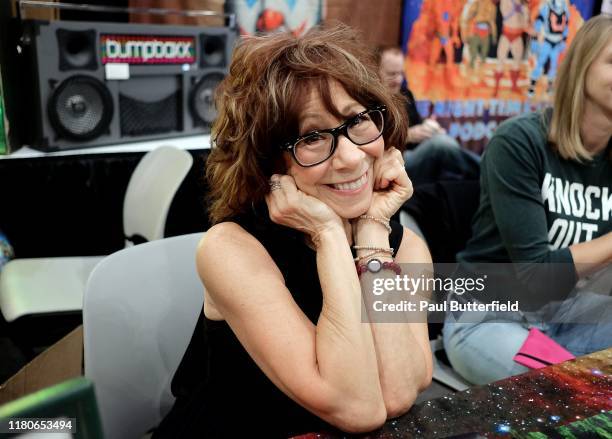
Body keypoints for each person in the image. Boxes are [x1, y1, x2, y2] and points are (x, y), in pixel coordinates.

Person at [153, 24, 433, 438]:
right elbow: (357, 408)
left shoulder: (403, 247)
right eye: (313, 137)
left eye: (358, 120)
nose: (352, 158)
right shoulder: (230, 249)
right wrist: (330, 236)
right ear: (269, 162)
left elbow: (396, 395)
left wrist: (372, 234)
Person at [443, 15, 612, 385]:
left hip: (573, 314)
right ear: (582, 68)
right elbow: (537, 277)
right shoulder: (519, 142)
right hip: (490, 315)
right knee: (583, 394)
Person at [377, 46, 480, 186]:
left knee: (443, 142)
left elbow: (417, 124)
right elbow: (371, 143)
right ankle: (486, 169)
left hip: (413, 153)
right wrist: (407, 136)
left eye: (401, 73)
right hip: (389, 162)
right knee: (440, 145)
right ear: (375, 71)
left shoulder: (405, 94)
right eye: (392, 74)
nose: (398, 79)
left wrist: (429, 128)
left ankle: (482, 174)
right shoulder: (369, 101)